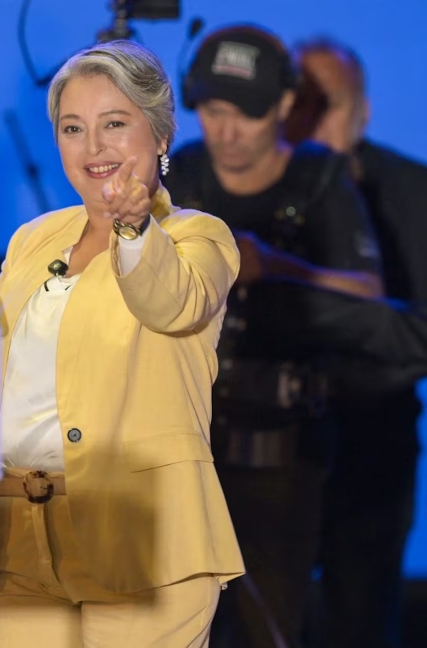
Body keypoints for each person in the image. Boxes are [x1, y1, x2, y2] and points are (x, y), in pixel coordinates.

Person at [0, 40, 245, 647]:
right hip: (19, 528)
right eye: (73, 128)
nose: (93, 148)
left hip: (143, 533)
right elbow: (19, 381)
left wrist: (132, 225)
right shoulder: (34, 239)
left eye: (114, 124)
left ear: (160, 135)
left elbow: (169, 303)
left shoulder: (197, 237)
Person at [164, 25, 384, 648]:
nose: (228, 131)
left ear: (285, 107)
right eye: (213, 111)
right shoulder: (180, 176)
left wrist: (274, 264)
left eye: (248, 114)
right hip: (185, 436)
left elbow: (368, 291)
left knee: (271, 618)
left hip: (283, 446)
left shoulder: (318, 179)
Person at [288, 38, 427, 648]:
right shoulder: (251, 191)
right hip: (268, 440)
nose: (315, 121)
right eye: (303, 104)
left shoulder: (413, 191)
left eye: (331, 105)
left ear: (364, 112)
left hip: (375, 439)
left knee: (363, 623)